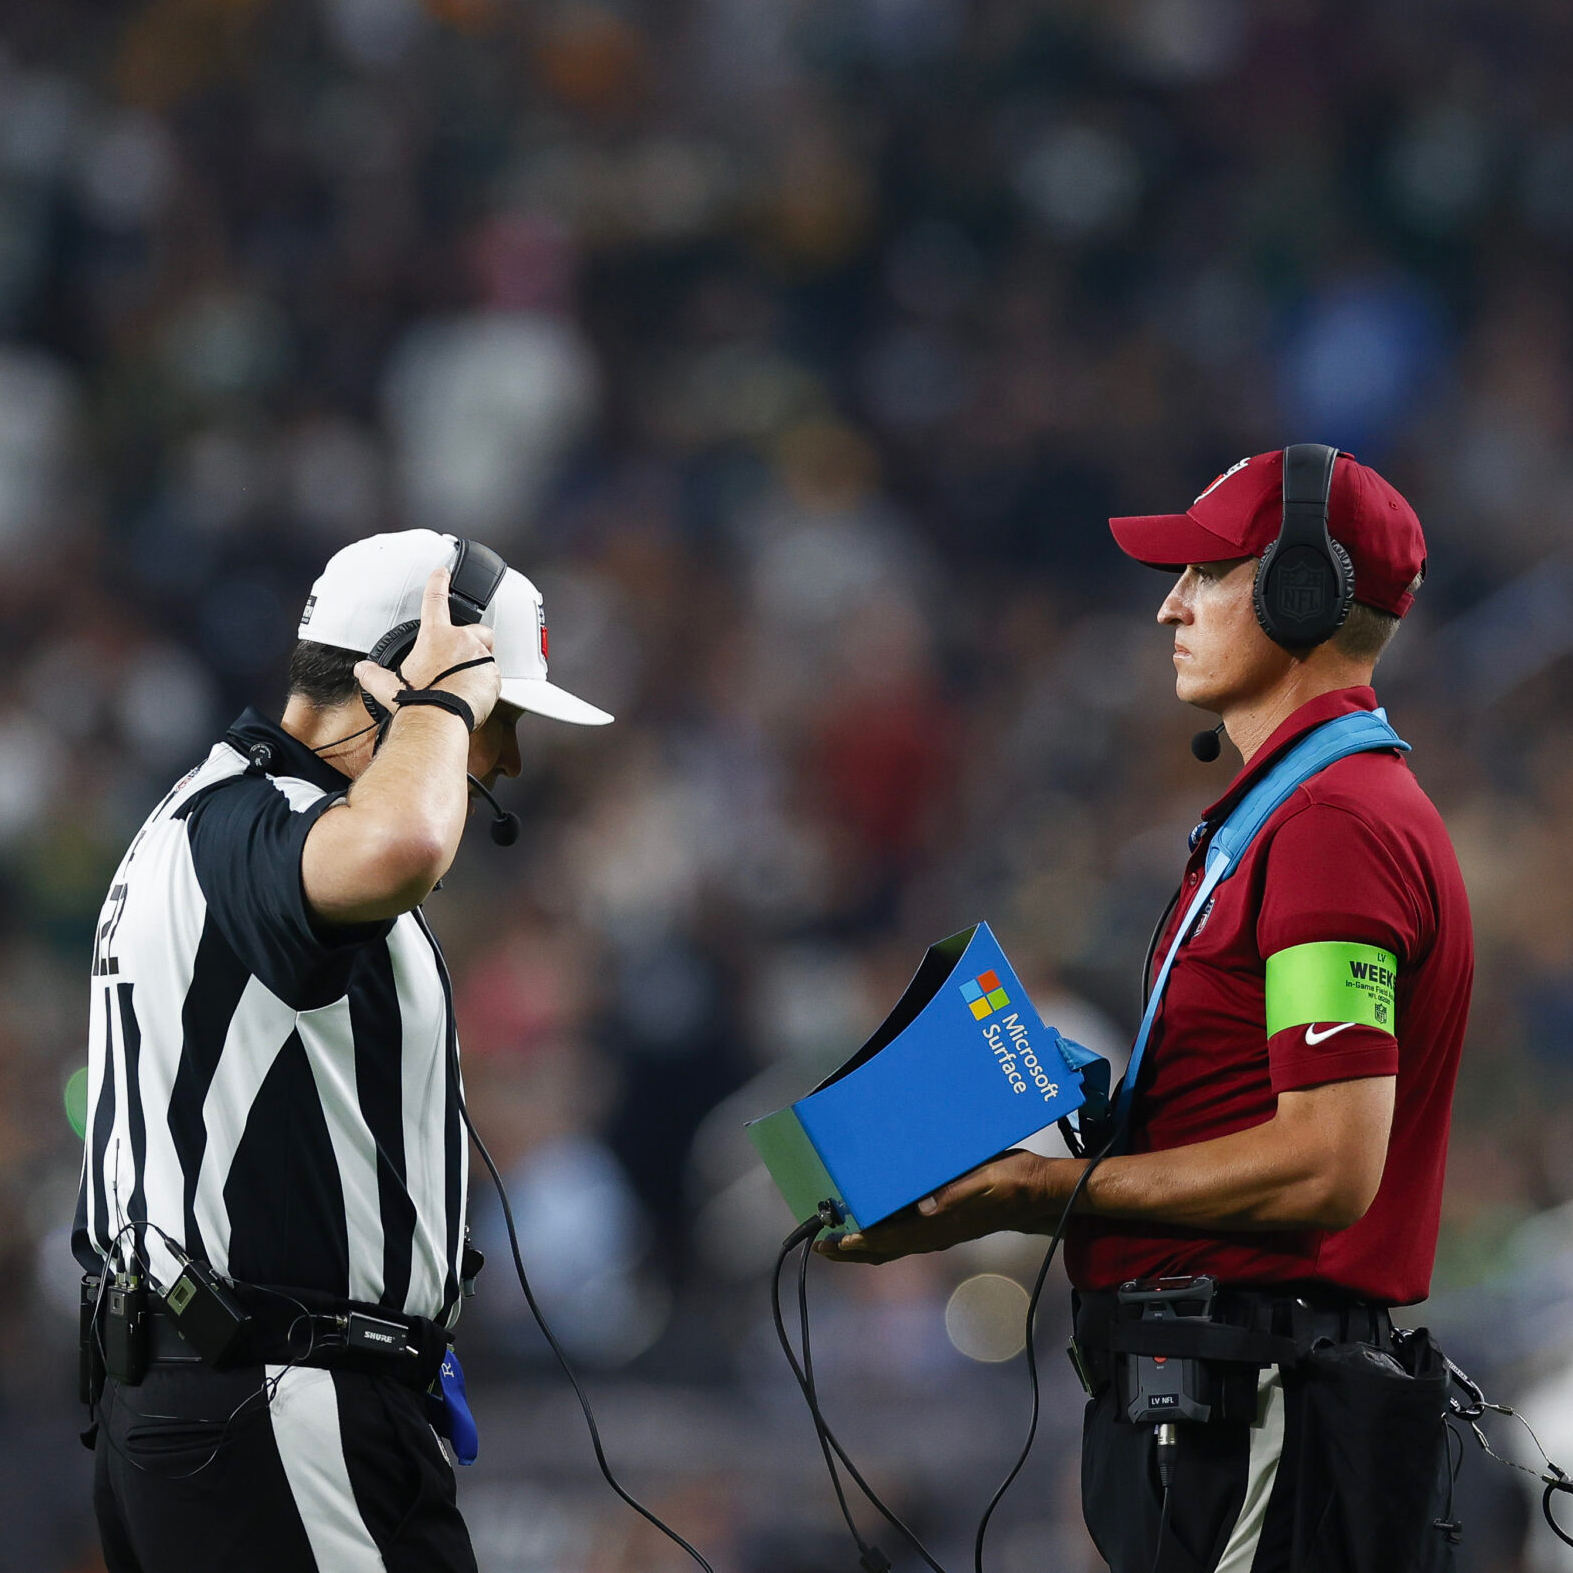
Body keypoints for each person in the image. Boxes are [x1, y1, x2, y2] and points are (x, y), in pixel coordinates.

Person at [819, 450, 1472, 1572]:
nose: (1168, 603)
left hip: (1261, 1408)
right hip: (1218, 1401)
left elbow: (1327, 1164)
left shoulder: (1333, 828)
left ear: (1299, 593)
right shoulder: (1293, 817)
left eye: (1207, 573)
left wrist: (1039, 1190)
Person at [73, 528, 611, 1573]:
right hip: (275, 1399)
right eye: (497, 715)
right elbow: (402, 844)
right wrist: (444, 706)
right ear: (394, 679)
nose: (502, 758)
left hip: (248, 1393)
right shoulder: (251, 815)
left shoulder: (218, 823)